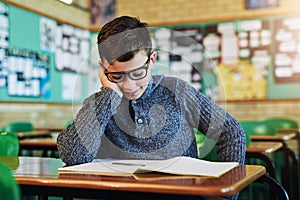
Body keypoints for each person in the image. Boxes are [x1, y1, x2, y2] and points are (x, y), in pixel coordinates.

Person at [57, 15, 246, 193]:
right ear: (103, 67)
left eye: (138, 73)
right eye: (117, 75)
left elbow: (231, 132)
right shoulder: (99, 103)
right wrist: (109, 95)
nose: (129, 86)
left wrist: (225, 194)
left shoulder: (177, 91)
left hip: (179, 195)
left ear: (152, 59)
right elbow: (75, 157)